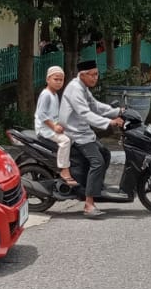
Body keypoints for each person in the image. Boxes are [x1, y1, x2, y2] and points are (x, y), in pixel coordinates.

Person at [61, 60, 123, 219]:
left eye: (97, 74)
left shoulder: (83, 88)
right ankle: (89, 204)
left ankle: (95, 188)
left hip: (84, 132)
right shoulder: (75, 89)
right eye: (93, 74)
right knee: (98, 162)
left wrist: (117, 111)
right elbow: (85, 113)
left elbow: (95, 106)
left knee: (106, 154)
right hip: (75, 134)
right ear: (83, 75)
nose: (96, 77)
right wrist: (109, 122)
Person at [34, 66, 77, 187]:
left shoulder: (55, 95)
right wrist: (54, 127)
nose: (58, 82)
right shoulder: (46, 95)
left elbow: (53, 115)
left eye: (61, 80)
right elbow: (42, 115)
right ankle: (64, 169)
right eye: (56, 79)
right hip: (44, 130)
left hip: (51, 126)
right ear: (48, 79)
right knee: (65, 141)